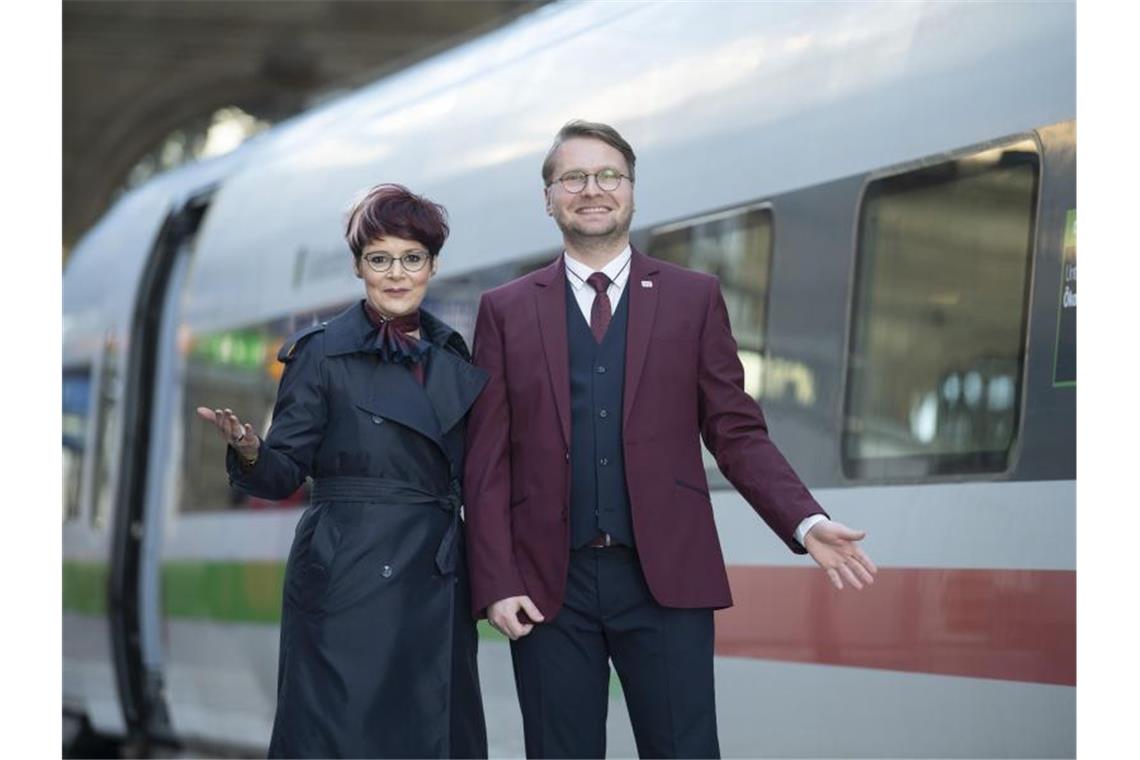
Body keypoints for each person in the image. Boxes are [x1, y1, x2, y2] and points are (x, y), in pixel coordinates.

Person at [463, 120, 878, 759]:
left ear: (632, 191)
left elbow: (735, 430)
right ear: (548, 197)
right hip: (548, 588)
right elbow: (486, 460)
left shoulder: (695, 297)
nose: (592, 190)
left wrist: (805, 520)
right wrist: (494, 579)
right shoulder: (505, 309)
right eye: (572, 177)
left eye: (609, 176)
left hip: (666, 581)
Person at [197, 184, 489, 759]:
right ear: (359, 267)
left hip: (437, 573)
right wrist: (251, 449)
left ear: (432, 264)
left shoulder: (452, 353)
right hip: (348, 575)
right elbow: (283, 474)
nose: (397, 274)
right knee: (346, 737)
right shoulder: (321, 352)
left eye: (413, 258)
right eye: (380, 259)